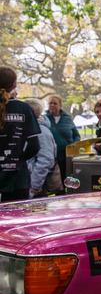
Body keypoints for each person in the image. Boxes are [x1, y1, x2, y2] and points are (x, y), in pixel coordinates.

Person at [0, 67, 40, 202]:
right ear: (14, 85)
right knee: (16, 221)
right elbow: (34, 146)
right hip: (18, 179)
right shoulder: (24, 109)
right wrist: (18, 159)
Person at [24, 99, 58, 198]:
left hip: (38, 186)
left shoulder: (41, 132)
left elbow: (46, 160)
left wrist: (34, 187)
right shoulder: (31, 128)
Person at [46, 94, 80, 178]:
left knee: (67, 177)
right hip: (51, 156)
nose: (52, 105)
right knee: (53, 181)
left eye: (55, 103)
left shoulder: (67, 118)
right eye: (50, 103)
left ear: (60, 105)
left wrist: (74, 145)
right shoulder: (44, 119)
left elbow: (76, 135)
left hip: (67, 155)